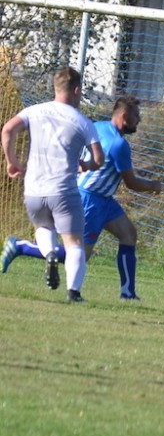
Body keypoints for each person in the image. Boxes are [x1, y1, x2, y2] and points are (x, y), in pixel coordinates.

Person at [2, 96, 162, 300]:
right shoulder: (119, 144)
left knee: (129, 234)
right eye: (137, 116)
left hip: (104, 199)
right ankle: (21, 246)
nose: (139, 120)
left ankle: (128, 293)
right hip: (91, 199)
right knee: (79, 253)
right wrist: (152, 186)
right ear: (124, 117)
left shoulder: (98, 126)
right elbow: (131, 183)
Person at [1, 67, 104, 302]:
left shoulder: (34, 111)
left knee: (43, 228)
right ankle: (73, 292)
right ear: (76, 90)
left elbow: (7, 129)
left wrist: (12, 161)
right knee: (74, 242)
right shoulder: (82, 122)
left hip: (34, 190)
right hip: (63, 191)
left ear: (55, 88)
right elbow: (99, 159)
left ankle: (49, 254)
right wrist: (86, 165)